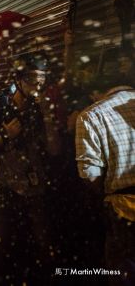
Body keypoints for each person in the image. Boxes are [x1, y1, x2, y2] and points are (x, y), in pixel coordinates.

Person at [0, 51, 59, 284]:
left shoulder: (38, 107)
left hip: (35, 183)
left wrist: (47, 115)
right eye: (33, 79)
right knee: (4, 242)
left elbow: (54, 149)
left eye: (42, 80)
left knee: (44, 241)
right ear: (18, 79)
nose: (38, 86)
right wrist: (5, 135)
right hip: (6, 183)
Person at [75, 76, 135, 286]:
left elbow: (90, 175)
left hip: (123, 211)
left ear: (95, 93)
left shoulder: (91, 115)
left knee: (123, 271)